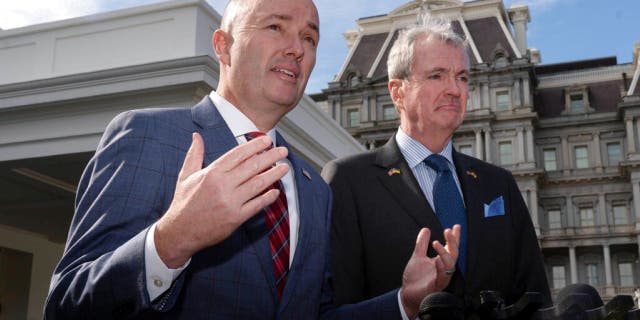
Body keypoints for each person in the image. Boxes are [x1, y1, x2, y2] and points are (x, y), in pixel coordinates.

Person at [44, 1, 459, 319]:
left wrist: (403, 303)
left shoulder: (315, 188)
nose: (296, 48)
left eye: (310, 38)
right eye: (275, 27)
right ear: (223, 46)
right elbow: (67, 303)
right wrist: (170, 241)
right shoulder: (145, 135)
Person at [322, 14, 552, 314]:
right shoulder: (348, 181)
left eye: (462, 77)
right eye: (437, 76)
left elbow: (536, 299)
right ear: (397, 92)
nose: (455, 90)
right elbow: (327, 312)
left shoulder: (499, 185)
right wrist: (404, 304)